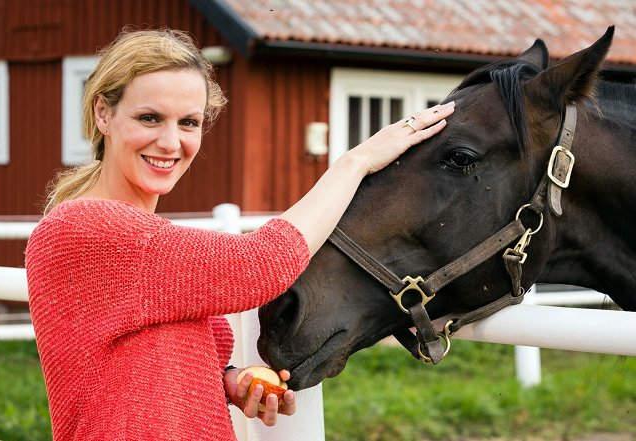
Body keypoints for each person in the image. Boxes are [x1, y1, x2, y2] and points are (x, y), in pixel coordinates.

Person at [25, 28, 454, 441]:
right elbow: (262, 264)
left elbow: (138, 365)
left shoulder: (142, 240)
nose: (170, 142)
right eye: (149, 118)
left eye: (189, 122)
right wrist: (355, 164)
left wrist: (230, 381)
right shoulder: (83, 228)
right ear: (104, 113)